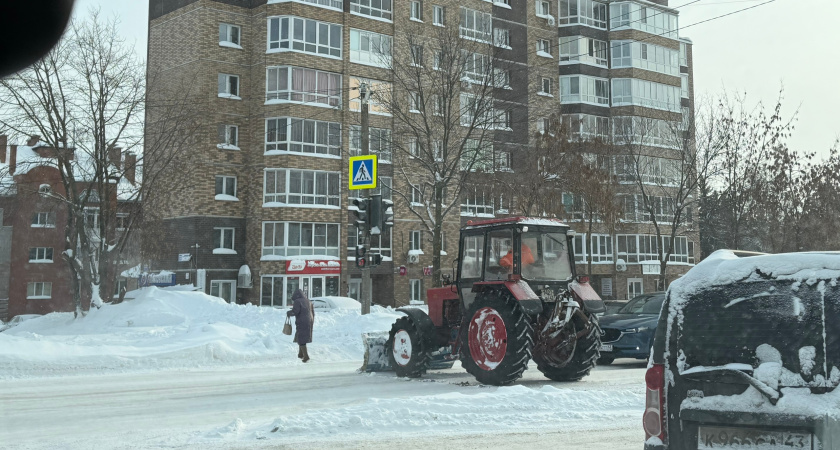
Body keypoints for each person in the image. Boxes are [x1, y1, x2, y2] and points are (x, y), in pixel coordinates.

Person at [287, 289, 314, 363]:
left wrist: (289, 313)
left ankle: (306, 356)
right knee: (300, 337)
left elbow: (295, 311)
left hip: (301, 321)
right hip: (309, 321)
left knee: (301, 337)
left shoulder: (297, 301)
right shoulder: (308, 301)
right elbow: (312, 312)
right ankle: (300, 354)